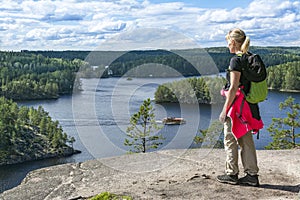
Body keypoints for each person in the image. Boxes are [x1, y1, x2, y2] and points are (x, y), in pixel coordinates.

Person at [217, 28, 261, 186]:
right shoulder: (249, 58)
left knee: (230, 138)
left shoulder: (236, 60)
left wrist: (224, 110)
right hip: (249, 106)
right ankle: (252, 175)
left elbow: (233, 88)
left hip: (237, 107)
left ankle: (232, 174)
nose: (228, 46)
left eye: (228, 42)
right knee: (246, 139)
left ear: (234, 42)